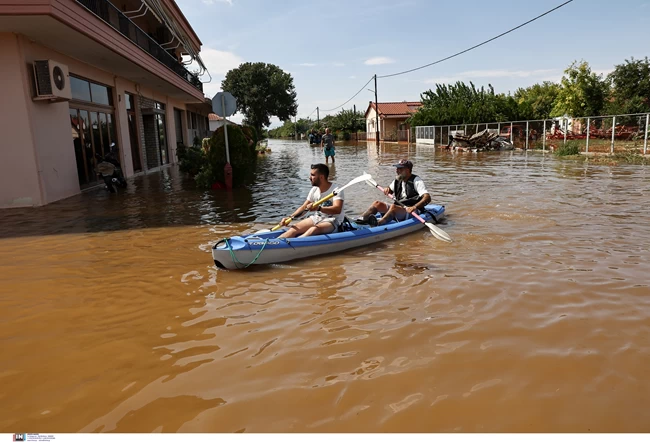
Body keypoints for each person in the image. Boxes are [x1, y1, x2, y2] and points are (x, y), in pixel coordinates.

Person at [356, 159, 431, 226]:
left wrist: (414, 207)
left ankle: (378, 223)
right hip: (400, 207)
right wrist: (387, 189)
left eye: (400, 169)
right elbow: (390, 190)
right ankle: (360, 220)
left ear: (408, 170)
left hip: (411, 210)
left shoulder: (416, 180)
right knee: (377, 203)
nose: (397, 170)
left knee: (393, 207)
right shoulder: (398, 179)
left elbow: (427, 197)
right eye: (397, 168)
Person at [278, 163, 345, 238]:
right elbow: (304, 207)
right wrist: (290, 217)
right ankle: (274, 244)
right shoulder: (314, 190)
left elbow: (337, 209)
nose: (310, 177)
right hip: (317, 218)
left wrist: (319, 208)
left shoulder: (336, 189)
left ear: (321, 177)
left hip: (333, 221)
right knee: (294, 228)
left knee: (313, 229)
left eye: (313, 175)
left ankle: (296, 245)